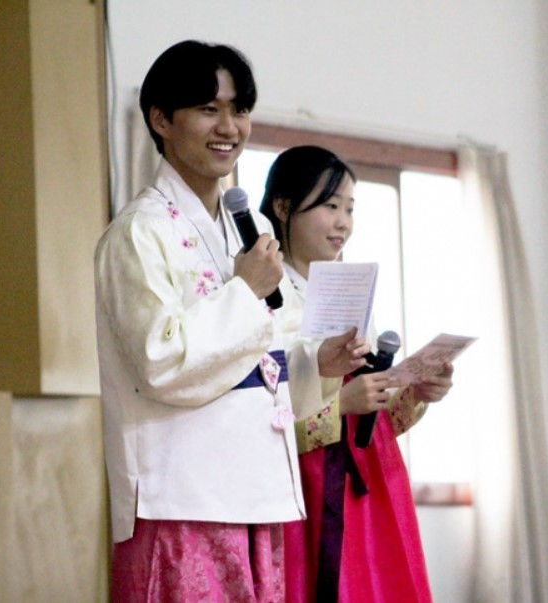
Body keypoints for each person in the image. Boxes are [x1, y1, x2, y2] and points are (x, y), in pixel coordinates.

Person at [94, 43, 369, 603]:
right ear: (161, 119)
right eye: (208, 109)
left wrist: (316, 363)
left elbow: (263, 361)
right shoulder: (139, 233)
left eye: (239, 109)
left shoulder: (246, 233)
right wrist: (244, 291)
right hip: (180, 501)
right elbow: (160, 363)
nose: (229, 127)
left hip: (256, 495)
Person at [259, 145, 455, 603]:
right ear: (283, 207)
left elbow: (376, 421)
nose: (343, 222)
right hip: (303, 484)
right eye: (330, 206)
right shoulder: (262, 293)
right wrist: (340, 405)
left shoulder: (348, 287)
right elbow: (258, 411)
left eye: (350, 208)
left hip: (370, 478)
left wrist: (415, 392)